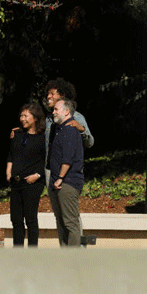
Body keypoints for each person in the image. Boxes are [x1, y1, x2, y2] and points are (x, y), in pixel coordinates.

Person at [6, 102, 46, 247]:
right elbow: (11, 154)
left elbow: (48, 160)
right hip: (16, 182)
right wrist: (8, 170)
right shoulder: (16, 134)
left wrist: (38, 175)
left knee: (30, 219)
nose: (22, 118)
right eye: (21, 116)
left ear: (35, 118)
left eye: (26, 116)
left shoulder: (43, 138)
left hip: (33, 183)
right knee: (16, 219)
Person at [48, 99, 85, 246]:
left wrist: (60, 178)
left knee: (70, 223)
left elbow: (68, 158)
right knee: (62, 221)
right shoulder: (60, 129)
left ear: (66, 111)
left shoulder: (69, 130)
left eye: (56, 109)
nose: (53, 112)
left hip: (67, 182)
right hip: (59, 181)